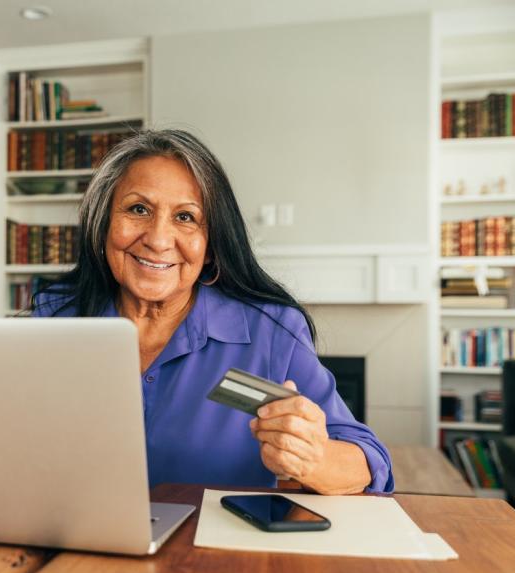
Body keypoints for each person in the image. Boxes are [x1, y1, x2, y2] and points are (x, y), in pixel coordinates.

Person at [32, 129, 393, 495]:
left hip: (215, 549)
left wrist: (314, 458)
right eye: (138, 209)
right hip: (76, 542)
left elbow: (368, 462)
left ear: (211, 245)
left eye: (186, 217)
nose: (158, 239)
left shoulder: (269, 332)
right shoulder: (55, 317)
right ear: (103, 223)